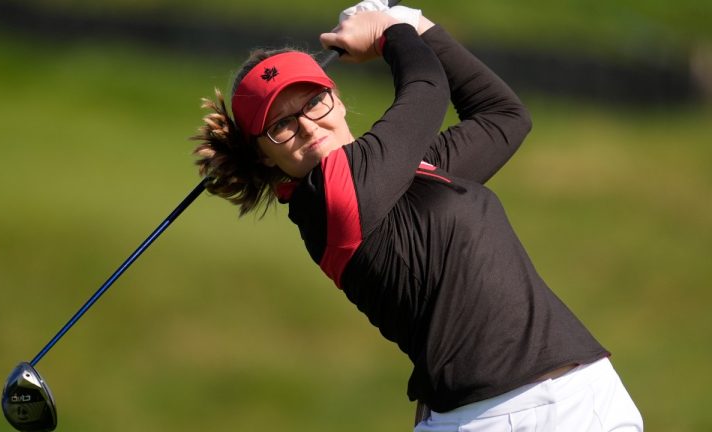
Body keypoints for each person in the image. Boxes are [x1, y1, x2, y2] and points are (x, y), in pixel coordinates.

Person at [191, 4, 643, 431]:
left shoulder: (408, 172)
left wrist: (416, 22)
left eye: (313, 102)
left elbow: (503, 117)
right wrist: (389, 32)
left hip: (586, 397)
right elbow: (427, 89)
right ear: (264, 155)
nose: (308, 125)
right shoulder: (329, 198)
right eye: (280, 125)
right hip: (501, 416)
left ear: (338, 99)